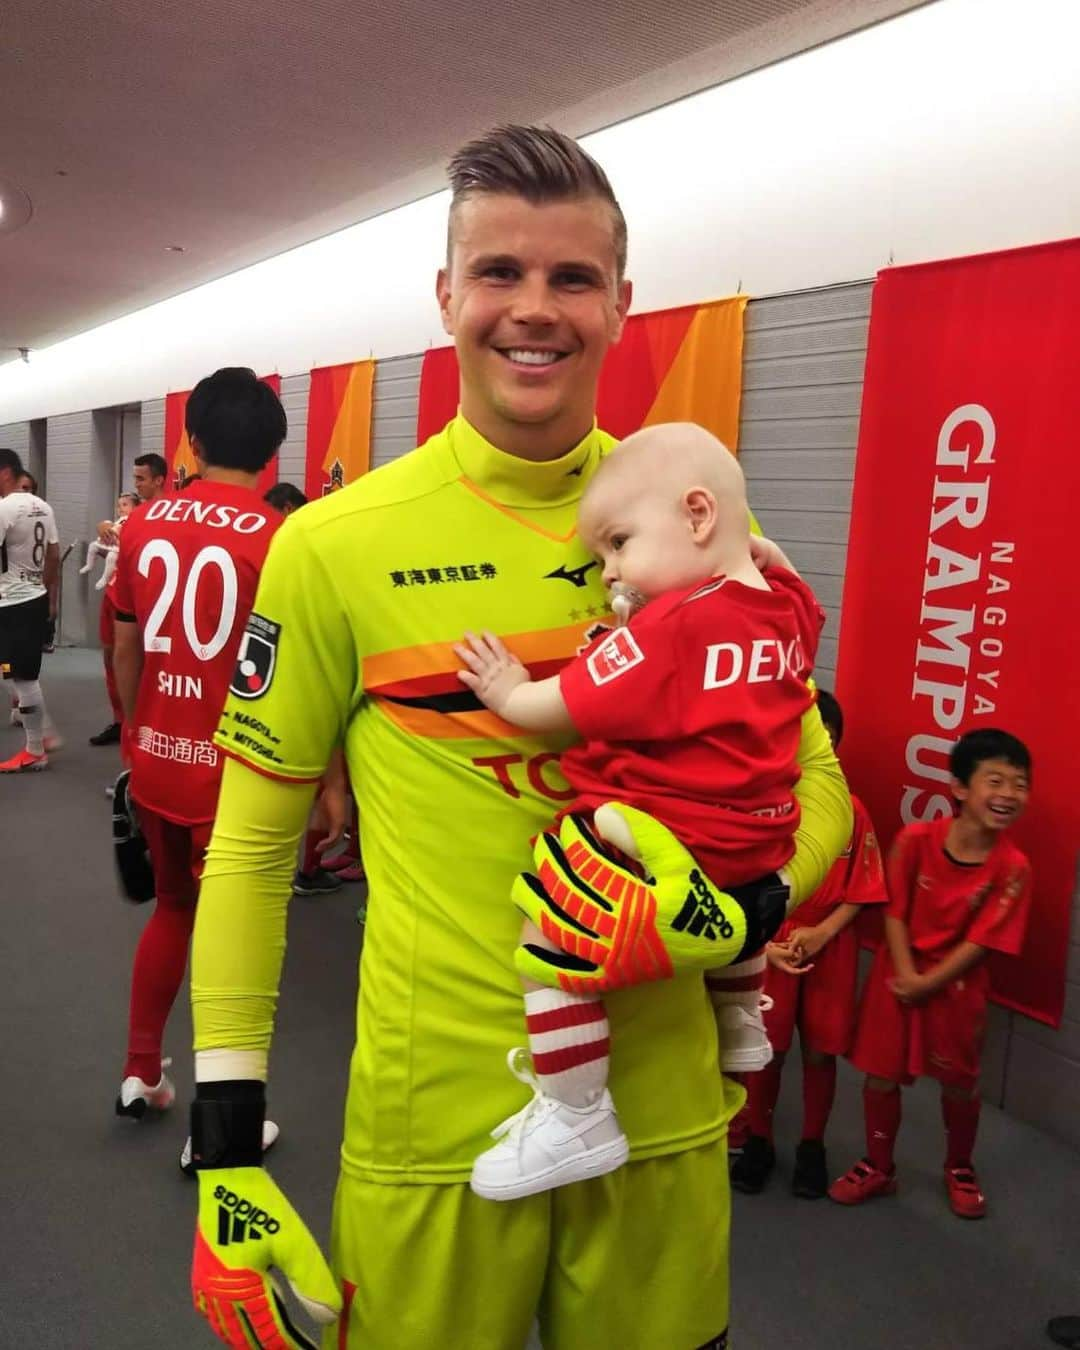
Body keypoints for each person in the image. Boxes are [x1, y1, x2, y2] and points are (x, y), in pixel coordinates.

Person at [186, 125, 851, 1350]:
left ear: (621, 304)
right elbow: (247, 856)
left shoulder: (708, 532)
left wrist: (740, 917)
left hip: (660, 1117)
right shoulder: (333, 545)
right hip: (433, 1126)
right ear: (447, 295)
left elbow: (819, 792)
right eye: (499, 272)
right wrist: (226, 1150)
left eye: (571, 278)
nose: (532, 310)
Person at [454, 421, 823, 1200]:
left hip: (669, 842)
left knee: (551, 930)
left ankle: (576, 1113)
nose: (611, 572)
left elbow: (566, 702)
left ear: (697, 516)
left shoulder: (672, 624)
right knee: (737, 909)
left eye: (618, 544)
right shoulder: (788, 608)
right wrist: (766, 557)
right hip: (760, 844)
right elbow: (787, 580)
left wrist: (506, 690)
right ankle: (740, 1022)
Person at [110, 370, 288, 1176]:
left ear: (193, 443)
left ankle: (140, 1073)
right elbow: (293, 670)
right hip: (238, 773)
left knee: (174, 909)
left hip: (155, 755)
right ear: (274, 449)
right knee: (236, 937)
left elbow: (125, 643)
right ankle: (220, 1133)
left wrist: (132, 730)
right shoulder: (281, 536)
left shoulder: (144, 525)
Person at [829, 727, 1032, 1219]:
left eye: (1020, 784)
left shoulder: (1014, 867)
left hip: (955, 990)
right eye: (995, 780)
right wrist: (905, 973)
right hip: (895, 981)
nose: (1008, 794)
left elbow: (982, 941)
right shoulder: (916, 839)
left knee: (959, 1082)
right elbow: (894, 910)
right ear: (960, 788)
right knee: (880, 1077)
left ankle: (960, 1166)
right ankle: (878, 1165)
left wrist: (928, 984)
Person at [730, 690, 886, 1198]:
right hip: (770, 942)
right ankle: (758, 1140)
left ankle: (812, 1146)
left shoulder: (852, 810)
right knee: (766, 1051)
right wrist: (764, 945)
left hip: (830, 945)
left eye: (829, 742)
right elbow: (740, 886)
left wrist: (823, 932)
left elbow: (864, 889)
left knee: (821, 1052)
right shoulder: (761, 807)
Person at [90, 452, 167, 747]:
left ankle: (144, 726)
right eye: (134, 478)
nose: (136, 485)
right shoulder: (133, 514)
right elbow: (110, 526)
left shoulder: (164, 514)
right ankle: (122, 721)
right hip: (115, 592)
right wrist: (103, 525)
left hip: (143, 599)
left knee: (143, 662)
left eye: (141, 479)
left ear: (159, 480)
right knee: (112, 659)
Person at [0, 448, 61, 771]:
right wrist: (46, 591)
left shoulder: (4, 508)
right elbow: (53, 554)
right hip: (32, 597)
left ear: (5, 472)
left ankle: (37, 746)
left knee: (23, 678)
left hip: (12, 602)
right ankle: (40, 728)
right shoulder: (43, 506)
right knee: (8, 667)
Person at [80, 492, 139, 590]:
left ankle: (105, 578)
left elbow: (121, 529)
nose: (120, 508)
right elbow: (109, 526)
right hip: (111, 542)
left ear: (135, 508)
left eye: (124, 505)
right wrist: (105, 525)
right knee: (93, 546)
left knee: (111, 556)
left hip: (119, 547)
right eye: (118, 506)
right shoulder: (120, 519)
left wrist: (114, 529)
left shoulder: (132, 519)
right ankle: (89, 565)